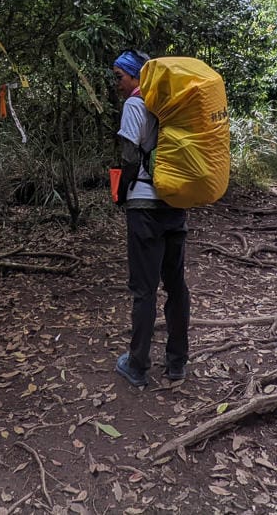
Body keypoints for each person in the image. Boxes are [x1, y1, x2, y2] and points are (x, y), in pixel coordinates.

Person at [110, 49, 190, 389]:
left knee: (144, 290)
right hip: (175, 202)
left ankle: (138, 364)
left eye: (120, 77)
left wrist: (122, 190)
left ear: (136, 77)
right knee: (176, 285)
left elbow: (130, 155)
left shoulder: (135, 104)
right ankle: (177, 363)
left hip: (144, 205)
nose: (118, 83)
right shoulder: (172, 104)